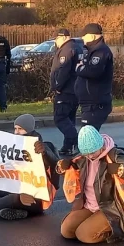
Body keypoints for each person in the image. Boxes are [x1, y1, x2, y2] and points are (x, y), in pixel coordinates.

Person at [58, 125, 124, 244]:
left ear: (100, 145)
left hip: (110, 208)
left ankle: (118, 230)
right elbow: (68, 171)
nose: (90, 157)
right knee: (66, 231)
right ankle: (93, 222)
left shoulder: (115, 155)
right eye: (86, 154)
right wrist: (62, 167)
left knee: (84, 235)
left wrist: (123, 170)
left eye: (93, 152)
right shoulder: (83, 157)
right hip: (89, 205)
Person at [0, 113, 59, 221]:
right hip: (15, 190)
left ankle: (8, 203)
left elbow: (56, 165)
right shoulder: (13, 146)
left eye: (20, 129)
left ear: (29, 130)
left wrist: (45, 153)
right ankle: (17, 210)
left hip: (36, 198)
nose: (16, 132)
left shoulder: (44, 146)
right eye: (15, 129)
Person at [75, 23, 114, 129]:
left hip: (95, 103)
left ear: (91, 36)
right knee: (89, 137)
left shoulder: (100, 51)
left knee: (87, 137)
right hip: (89, 102)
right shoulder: (92, 51)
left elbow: (93, 72)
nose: (82, 39)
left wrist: (79, 68)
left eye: (84, 36)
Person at [49, 28, 81, 157]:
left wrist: (58, 86)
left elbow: (63, 70)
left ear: (62, 37)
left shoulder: (67, 50)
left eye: (56, 39)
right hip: (75, 89)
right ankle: (68, 146)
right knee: (69, 119)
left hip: (66, 90)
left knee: (60, 118)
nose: (55, 42)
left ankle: (78, 141)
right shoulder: (77, 47)